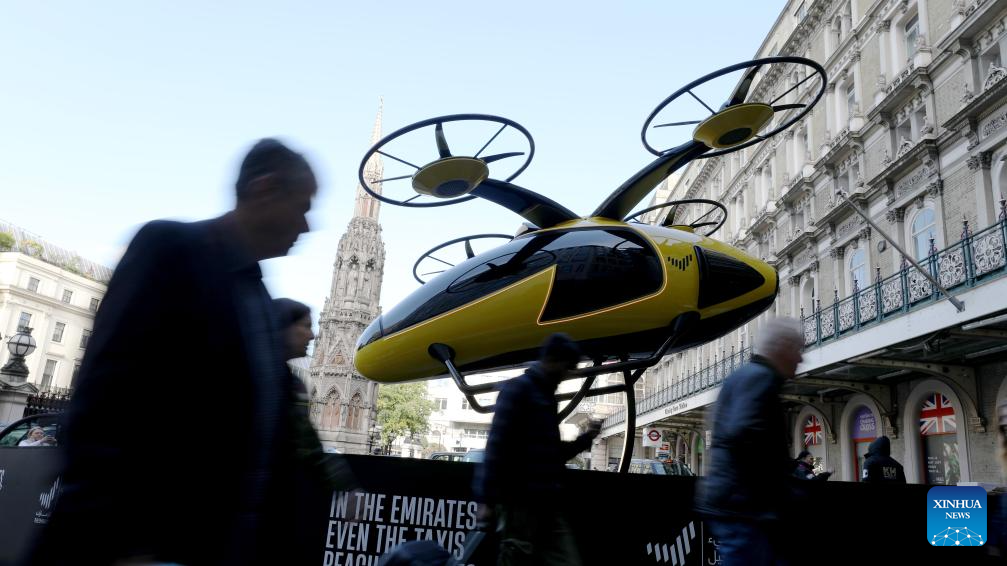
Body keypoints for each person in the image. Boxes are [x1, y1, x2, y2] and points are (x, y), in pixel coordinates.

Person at [28, 139, 318, 566]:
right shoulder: (170, 248)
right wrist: (129, 544)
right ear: (266, 188)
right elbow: (103, 400)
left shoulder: (255, 293)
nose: (307, 225)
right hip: (136, 546)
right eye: (302, 205)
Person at [474, 333, 601, 566]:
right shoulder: (519, 390)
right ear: (554, 360)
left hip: (545, 505)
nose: (568, 373)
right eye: (568, 366)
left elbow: (552, 454)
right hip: (521, 506)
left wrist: (586, 438)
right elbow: (495, 448)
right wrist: (486, 501)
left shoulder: (545, 396)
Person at [694, 318, 803, 566]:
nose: (800, 358)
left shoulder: (744, 376)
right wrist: (778, 483)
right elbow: (743, 432)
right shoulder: (760, 379)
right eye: (797, 349)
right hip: (745, 507)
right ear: (782, 348)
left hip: (734, 501)